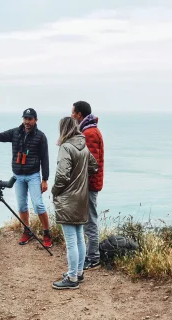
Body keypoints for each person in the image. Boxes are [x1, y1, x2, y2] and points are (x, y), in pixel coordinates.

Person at [0, 108, 53, 248]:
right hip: (18, 175)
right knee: (22, 205)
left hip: (33, 176)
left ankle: (47, 233)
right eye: (25, 118)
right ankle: (27, 231)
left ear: (36, 120)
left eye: (30, 119)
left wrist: (45, 179)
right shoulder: (15, 132)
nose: (27, 121)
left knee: (38, 204)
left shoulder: (40, 136)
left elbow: (45, 159)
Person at [51, 117, 98, 289]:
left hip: (68, 198)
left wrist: (55, 191)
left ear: (63, 129)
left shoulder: (66, 147)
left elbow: (62, 176)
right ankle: (78, 273)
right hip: (82, 197)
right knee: (79, 237)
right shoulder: (83, 146)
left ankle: (71, 279)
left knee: (71, 240)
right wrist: (81, 179)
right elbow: (94, 167)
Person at [71, 101, 105, 270]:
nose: (71, 116)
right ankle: (90, 256)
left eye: (73, 113)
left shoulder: (89, 133)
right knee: (88, 220)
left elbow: (91, 164)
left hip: (89, 185)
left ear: (79, 115)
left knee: (90, 221)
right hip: (89, 183)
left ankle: (93, 258)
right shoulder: (88, 130)